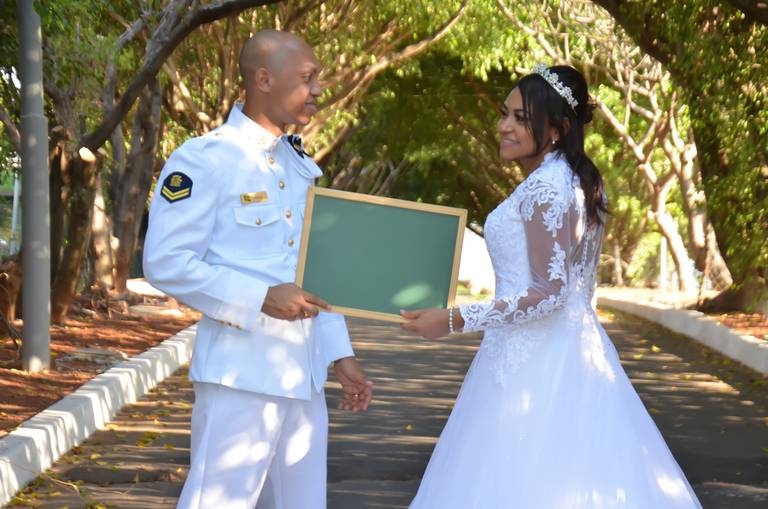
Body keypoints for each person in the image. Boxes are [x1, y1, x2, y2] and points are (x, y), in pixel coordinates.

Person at [401, 64, 701, 508]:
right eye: (505, 114)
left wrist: (453, 319)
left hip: (539, 365)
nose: (504, 126)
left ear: (557, 130)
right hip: (558, 351)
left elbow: (550, 292)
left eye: (521, 118)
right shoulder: (572, 179)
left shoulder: (548, 189)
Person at [142, 29, 373, 509]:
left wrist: (340, 355)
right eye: (307, 78)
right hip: (239, 374)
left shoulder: (301, 166)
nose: (318, 90)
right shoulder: (206, 158)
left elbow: (314, 270)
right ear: (264, 79)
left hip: (303, 375)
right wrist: (260, 297)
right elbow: (165, 261)